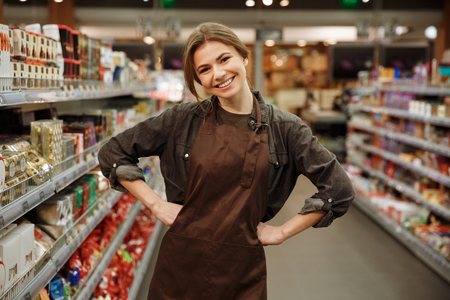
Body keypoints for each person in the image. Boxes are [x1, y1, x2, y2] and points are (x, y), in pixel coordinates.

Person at [98, 22, 355, 300]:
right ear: (198, 79)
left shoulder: (286, 128)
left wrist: (281, 232)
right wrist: (156, 204)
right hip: (180, 268)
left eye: (224, 59)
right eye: (204, 69)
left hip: (242, 272)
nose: (218, 74)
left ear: (243, 57)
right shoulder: (182, 119)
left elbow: (338, 189)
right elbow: (113, 153)